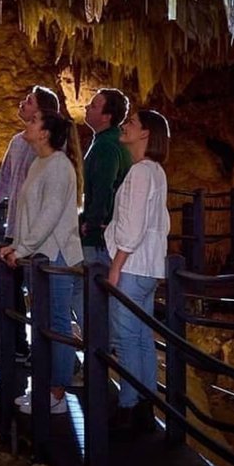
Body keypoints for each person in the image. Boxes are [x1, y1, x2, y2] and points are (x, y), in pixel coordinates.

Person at [0, 85, 62, 354]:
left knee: (39, 290)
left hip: (39, 232)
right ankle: (18, 343)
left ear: (40, 112)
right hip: (16, 226)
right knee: (11, 288)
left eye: (28, 101)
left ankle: (48, 351)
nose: (21, 103)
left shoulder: (52, 148)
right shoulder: (18, 142)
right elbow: (3, 182)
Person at [0, 110, 84, 415]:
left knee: (57, 324)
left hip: (57, 255)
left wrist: (21, 249)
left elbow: (49, 215)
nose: (28, 124)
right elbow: (27, 213)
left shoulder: (60, 167)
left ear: (45, 133)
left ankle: (57, 393)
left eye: (34, 121)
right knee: (43, 323)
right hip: (40, 255)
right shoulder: (39, 163)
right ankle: (45, 386)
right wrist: (18, 248)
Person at [104, 109, 171, 433]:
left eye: (130, 122)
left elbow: (133, 227)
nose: (124, 125)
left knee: (128, 340)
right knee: (143, 338)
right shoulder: (156, 171)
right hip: (150, 268)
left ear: (146, 133)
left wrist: (116, 266)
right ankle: (147, 406)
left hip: (131, 267)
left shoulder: (140, 173)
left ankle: (129, 408)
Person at [73, 89, 131, 328]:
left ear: (107, 116)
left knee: (82, 290)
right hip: (108, 230)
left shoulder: (106, 146)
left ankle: (99, 342)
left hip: (99, 235)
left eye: (94, 105)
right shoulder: (110, 141)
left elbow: (104, 187)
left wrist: (92, 221)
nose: (87, 107)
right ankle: (104, 342)